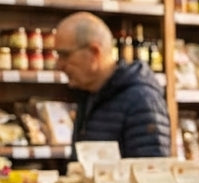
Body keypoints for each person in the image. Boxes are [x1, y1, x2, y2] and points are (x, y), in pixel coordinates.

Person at [57, 12, 172, 157]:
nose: (59, 65)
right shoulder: (90, 96)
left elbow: (152, 172)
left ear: (94, 53)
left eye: (65, 55)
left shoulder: (141, 100)